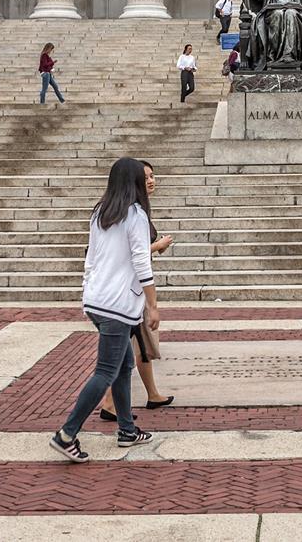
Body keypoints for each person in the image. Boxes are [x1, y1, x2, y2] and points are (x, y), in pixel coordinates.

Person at [49, 157, 158, 462]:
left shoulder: (101, 212)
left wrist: (87, 291)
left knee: (124, 365)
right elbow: (141, 261)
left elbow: (91, 258)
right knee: (106, 371)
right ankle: (67, 434)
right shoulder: (135, 215)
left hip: (97, 300)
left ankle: (126, 429)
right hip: (117, 304)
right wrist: (153, 303)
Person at [101, 160, 176, 423]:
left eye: (153, 176)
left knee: (137, 348)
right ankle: (107, 403)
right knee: (127, 351)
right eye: (145, 178)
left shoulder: (133, 211)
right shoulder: (131, 214)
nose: (151, 181)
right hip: (129, 292)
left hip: (125, 291)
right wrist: (158, 246)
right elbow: (134, 256)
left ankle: (150, 394)